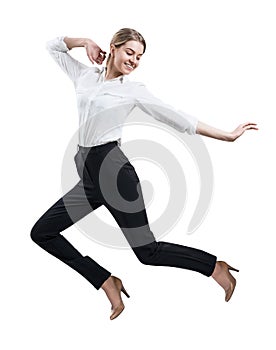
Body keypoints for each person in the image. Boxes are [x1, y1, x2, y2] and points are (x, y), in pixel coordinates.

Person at [30, 28, 258, 320]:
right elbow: (53, 46)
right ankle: (105, 281)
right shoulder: (85, 77)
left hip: (114, 175)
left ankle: (215, 267)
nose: (134, 60)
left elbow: (177, 117)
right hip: (88, 176)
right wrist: (85, 41)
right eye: (129, 52)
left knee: (147, 253)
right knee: (42, 232)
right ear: (113, 47)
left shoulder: (133, 90)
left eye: (139, 57)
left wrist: (226, 135)